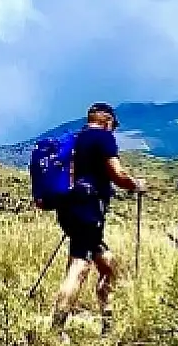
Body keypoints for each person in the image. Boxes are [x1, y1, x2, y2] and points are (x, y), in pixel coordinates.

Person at [50, 104, 144, 334]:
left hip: (68, 206)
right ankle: (56, 328)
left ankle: (107, 322)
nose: (114, 130)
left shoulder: (75, 139)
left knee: (108, 264)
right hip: (89, 208)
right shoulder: (103, 138)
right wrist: (135, 185)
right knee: (79, 266)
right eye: (114, 125)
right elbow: (117, 173)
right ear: (107, 120)